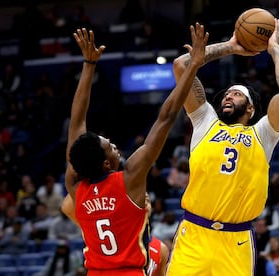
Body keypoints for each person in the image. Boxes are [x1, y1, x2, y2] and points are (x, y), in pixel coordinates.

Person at [61, 24, 208, 275]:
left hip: (96, 272)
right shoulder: (130, 178)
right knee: (160, 252)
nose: (115, 146)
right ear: (106, 164)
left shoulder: (74, 185)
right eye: (110, 147)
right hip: (130, 271)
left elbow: (76, 122)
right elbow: (166, 117)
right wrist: (192, 66)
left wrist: (88, 64)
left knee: (158, 251)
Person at [167, 18, 279, 275]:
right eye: (227, 93)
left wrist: (274, 48)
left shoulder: (263, 134)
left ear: (250, 108)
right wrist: (231, 46)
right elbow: (182, 65)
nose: (228, 95)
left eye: (236, 94)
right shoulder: (205, 120)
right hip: (194, 235)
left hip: (236, 241)